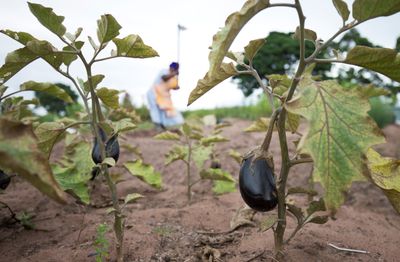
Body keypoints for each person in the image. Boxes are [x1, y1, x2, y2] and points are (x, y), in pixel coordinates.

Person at [147, 62, 184, 130]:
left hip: (162, 97)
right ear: (170, 67)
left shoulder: (173, 76)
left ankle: (162, 125)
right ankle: (158, 125)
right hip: (153, 93)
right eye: (172, 69)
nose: (172, 70)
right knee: (155, 109)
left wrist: (176, 86)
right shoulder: (164, 71)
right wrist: (174, 74)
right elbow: (164, 78)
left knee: (163, 110)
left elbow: (173, 87)